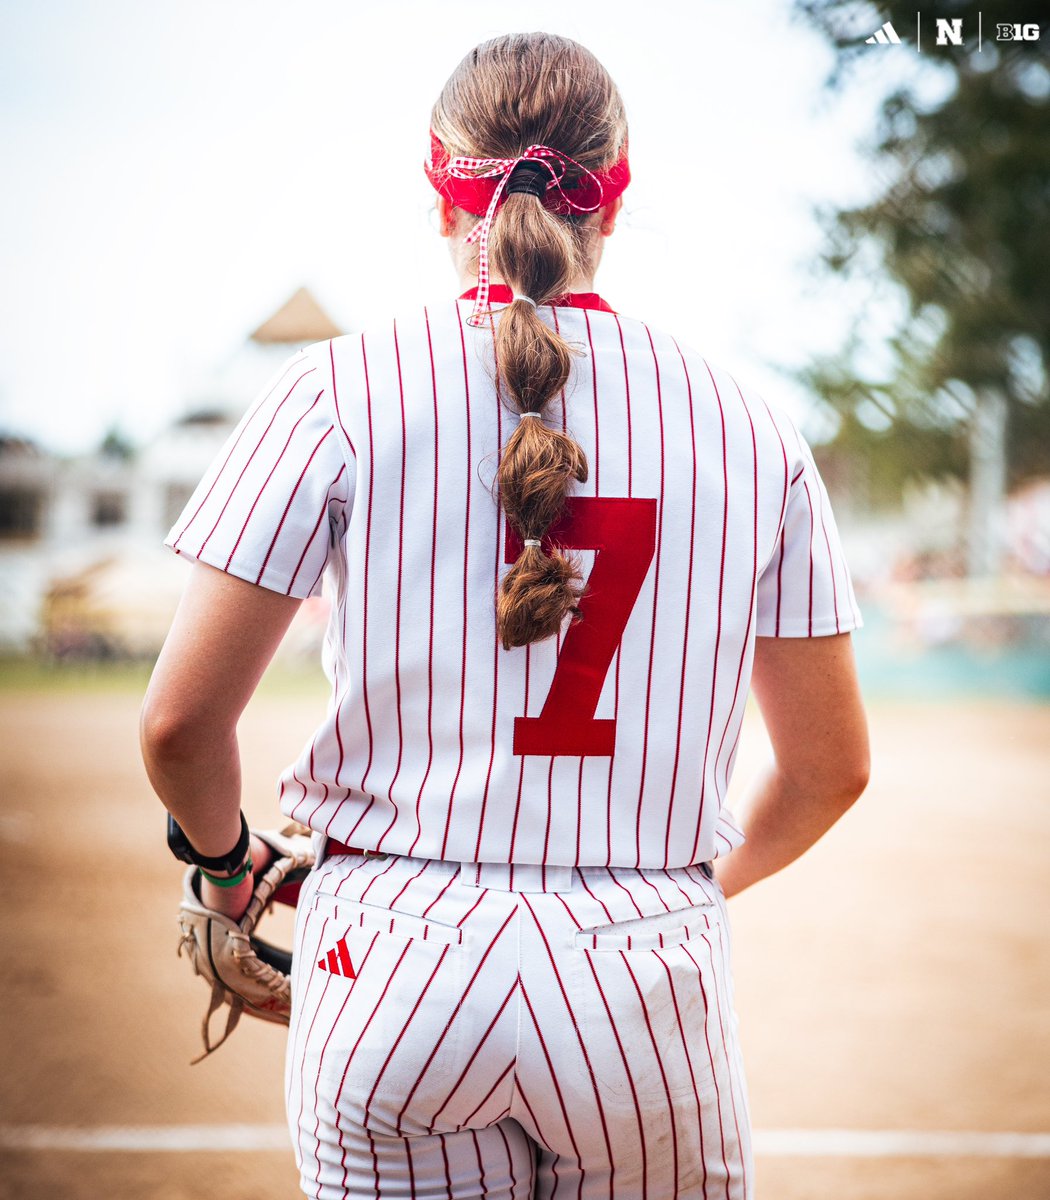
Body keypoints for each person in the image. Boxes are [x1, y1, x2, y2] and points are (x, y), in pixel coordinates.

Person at [141, 31, 869, 1200]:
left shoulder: (334, 390)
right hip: (644, 965)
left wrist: (230, 874)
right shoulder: (750, 428)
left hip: (387, 951)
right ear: (615, 197)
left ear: (439, 189)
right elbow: (830, 771)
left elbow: (179, 728)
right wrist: (660, 899)